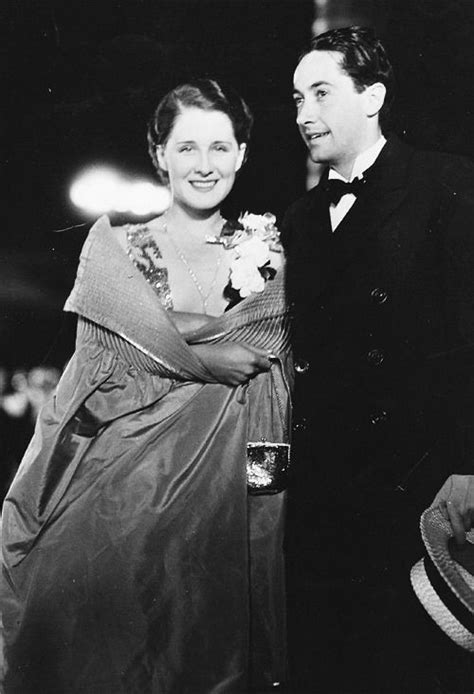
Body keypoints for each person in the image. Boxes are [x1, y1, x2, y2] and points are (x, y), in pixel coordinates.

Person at [0, 79, 292, 693]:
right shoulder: (117, 253)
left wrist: (266, 512)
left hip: (222, 528)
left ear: (242, 153)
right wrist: (206, 360)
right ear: (159, 155)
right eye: (186, 148)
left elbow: (275, 393)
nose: (204, 165)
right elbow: (89, 382)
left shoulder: (272, 256)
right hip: (119, 515)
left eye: (220, 147)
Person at [281, 26, 474, 693]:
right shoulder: (298, 219)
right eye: (298, 97)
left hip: (419, 486)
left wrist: (469, 466)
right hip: (322, 497)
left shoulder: (446, 184)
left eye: (323, 93)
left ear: (374, 96)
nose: (305, 114)